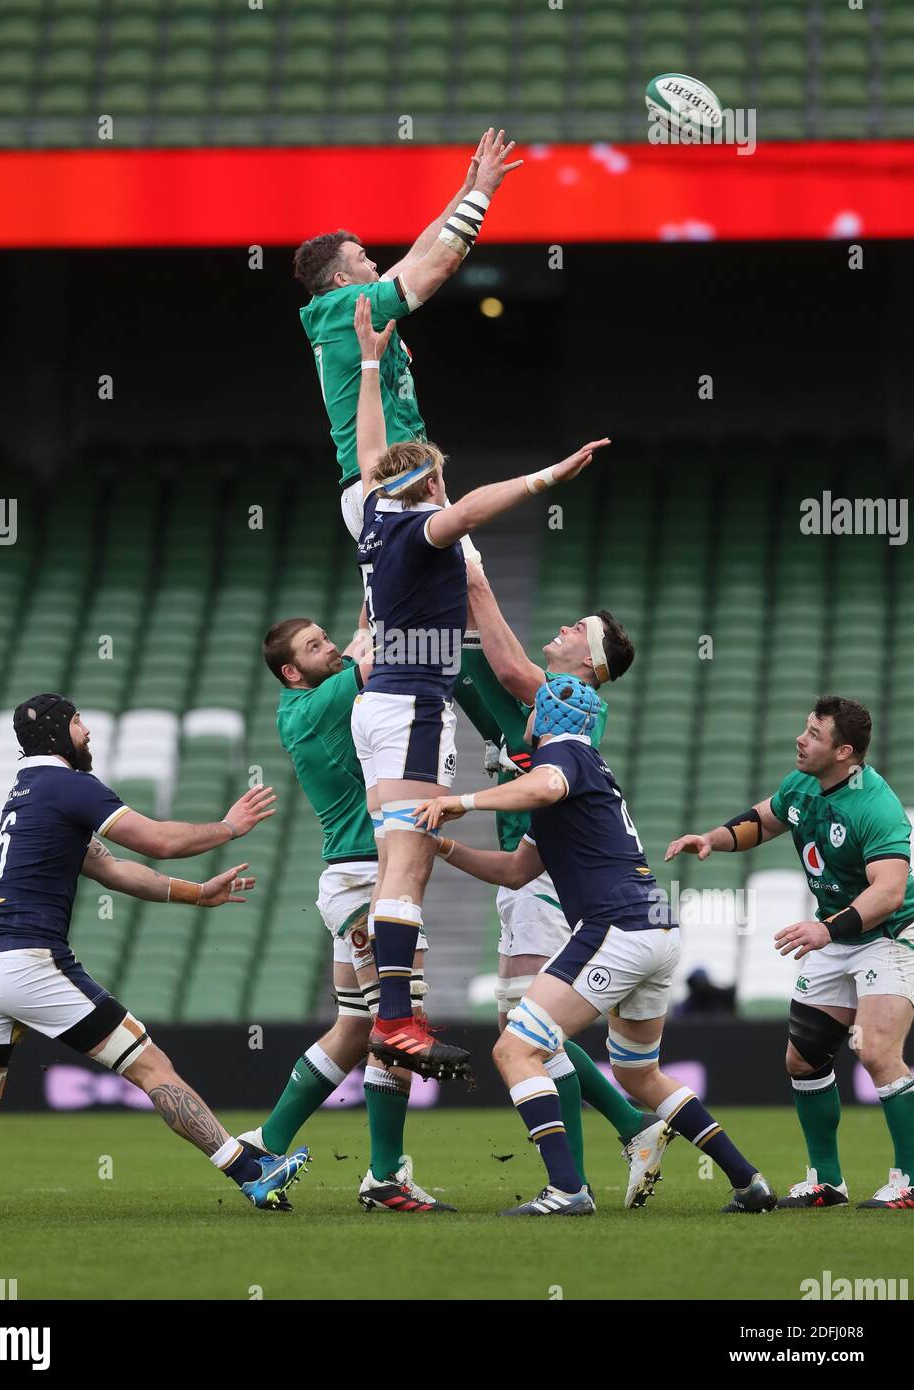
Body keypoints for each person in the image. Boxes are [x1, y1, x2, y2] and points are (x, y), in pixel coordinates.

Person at [0, 694, 308, 1211]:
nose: (87, 730)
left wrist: (198, 893)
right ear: (54, 734)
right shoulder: (69, 787)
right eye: (76, 721)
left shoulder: (24, 792)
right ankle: (253, 1172)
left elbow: (114, 870)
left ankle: (252, 1170)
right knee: (150, 1065)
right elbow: (156, 841)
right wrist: (229, 827)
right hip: (30, 962)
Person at [351, 294, 608, 1081]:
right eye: (439, 478)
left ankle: (395, 1008)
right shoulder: (420, 523)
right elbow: (464, 511)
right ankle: (395, 1019)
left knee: (406, 855)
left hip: (379, 704)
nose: (445, 486)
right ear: (426, 484)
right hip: (409, 705)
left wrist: (368, 363)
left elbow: (369, 453)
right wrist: (544, 477)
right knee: (408, 862)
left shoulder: (369, 508)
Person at [415, 676, 777, 1216]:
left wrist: (462, 800)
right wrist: (444, 847)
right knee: (637, 1073)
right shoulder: (584, 770)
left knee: (516, 1050)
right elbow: (517, 870)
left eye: (534, 710)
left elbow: (543, 787)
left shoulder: (562, 757)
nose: (528, 719)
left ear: (546, 718)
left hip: (618, 927)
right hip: (655, 928)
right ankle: (749, 1182)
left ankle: (567, 1189)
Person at [447, 567, 672, 1207]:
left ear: (589, 661)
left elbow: (509, 668)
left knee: (529, 1037)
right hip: (528, 865)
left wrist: (474, 574)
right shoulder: (561, 705)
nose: (568, 626)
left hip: (546, 874)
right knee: (523, 1030)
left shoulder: (561, 697)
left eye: (582, 629)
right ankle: (631, 1130)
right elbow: (487, 667)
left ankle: (568, 1186)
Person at [667, 694, 914, 1211]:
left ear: (844, 751)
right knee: (802, 1061)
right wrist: (713, 837)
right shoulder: (801, 783)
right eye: (805, 728)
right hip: (835, 933)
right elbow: (764, 820)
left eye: (814, 735)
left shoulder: (876, 806)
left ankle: (909, 1179)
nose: (801, 740)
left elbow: (889, 892)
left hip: (890, 934)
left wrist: (828, 929)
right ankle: (827, 1182)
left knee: (875, 1051)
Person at [240, 619, 454, 1213]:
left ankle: (266, 1145)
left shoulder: (312, 700)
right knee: (399, 1020)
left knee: (356, 1027)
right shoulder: (315, 704)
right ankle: (385, 1176)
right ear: (290, 671)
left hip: (357, 879)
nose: (328, 647)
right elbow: (377, 652)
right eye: (313, 647)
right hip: (369, 881)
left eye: (325, 637)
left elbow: (362, 638)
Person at [295, 129, 522, 539]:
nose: (375, 263)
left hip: (395, 476)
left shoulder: (344, 307)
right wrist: (484, 193)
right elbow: (439, 266)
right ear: (343, 278)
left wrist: (464, 191)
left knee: (456, 585)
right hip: (391, 479)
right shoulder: (350, 306)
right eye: (363, 258)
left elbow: (418, 256)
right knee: (463, 580)